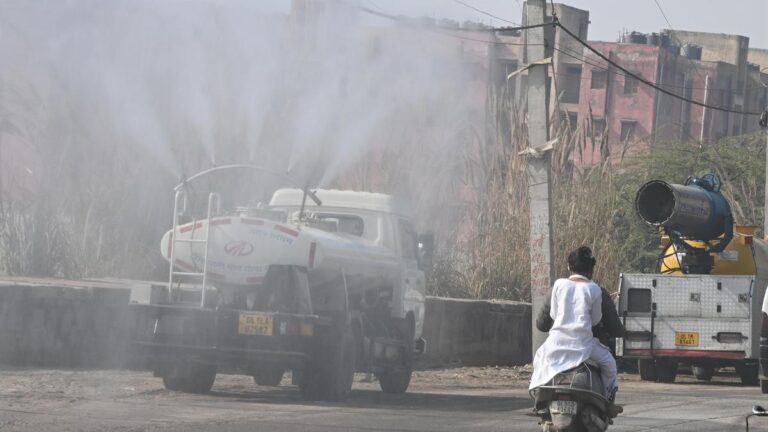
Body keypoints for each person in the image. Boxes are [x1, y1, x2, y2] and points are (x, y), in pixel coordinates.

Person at [528, 246, 622, 416]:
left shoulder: (559, 285)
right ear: (591, 269)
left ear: (569, 266)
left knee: (539, 359)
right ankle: (608, 402)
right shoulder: (594, 289)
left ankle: (538, 401)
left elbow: (553, 315)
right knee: (609, 364)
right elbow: (596, 320)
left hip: (556, 343)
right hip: (584, 345)